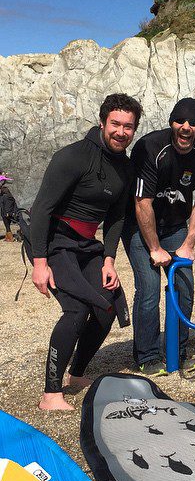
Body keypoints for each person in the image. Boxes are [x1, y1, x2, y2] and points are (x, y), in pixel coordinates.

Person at [29, 93, 141, 410]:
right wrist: (40, 263)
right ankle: (51, 394)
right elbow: (41, 210)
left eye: (128, 126)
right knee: (77, 310)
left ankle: (77, 374)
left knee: (107, 307)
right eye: (116, 124)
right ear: (103, 122)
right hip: (55, 242)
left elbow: (117, 217)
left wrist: (108, 260)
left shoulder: (126, 168)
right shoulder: (73, 157)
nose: (121, 131)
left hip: (87, 246)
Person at [123, 97, 195, 376]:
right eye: (180, 121)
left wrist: (188, 245)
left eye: (194, 123)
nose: (186, 128)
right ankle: (147, 354)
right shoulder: (151, 147)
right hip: (140, 226)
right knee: (150, 289)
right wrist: (154, 248)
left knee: (184, 288)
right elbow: (143, 202)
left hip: (175, 226)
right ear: (171, 123)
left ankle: (177, 349)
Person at [0, 173, 18, 242]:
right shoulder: (2, 195)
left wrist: (8, 212)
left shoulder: (6, 193)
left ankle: (11, 236)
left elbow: (9, 202)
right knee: (6, 223)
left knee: (10, 220)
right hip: (4, 210)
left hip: (9, 211)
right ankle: (9, 236)